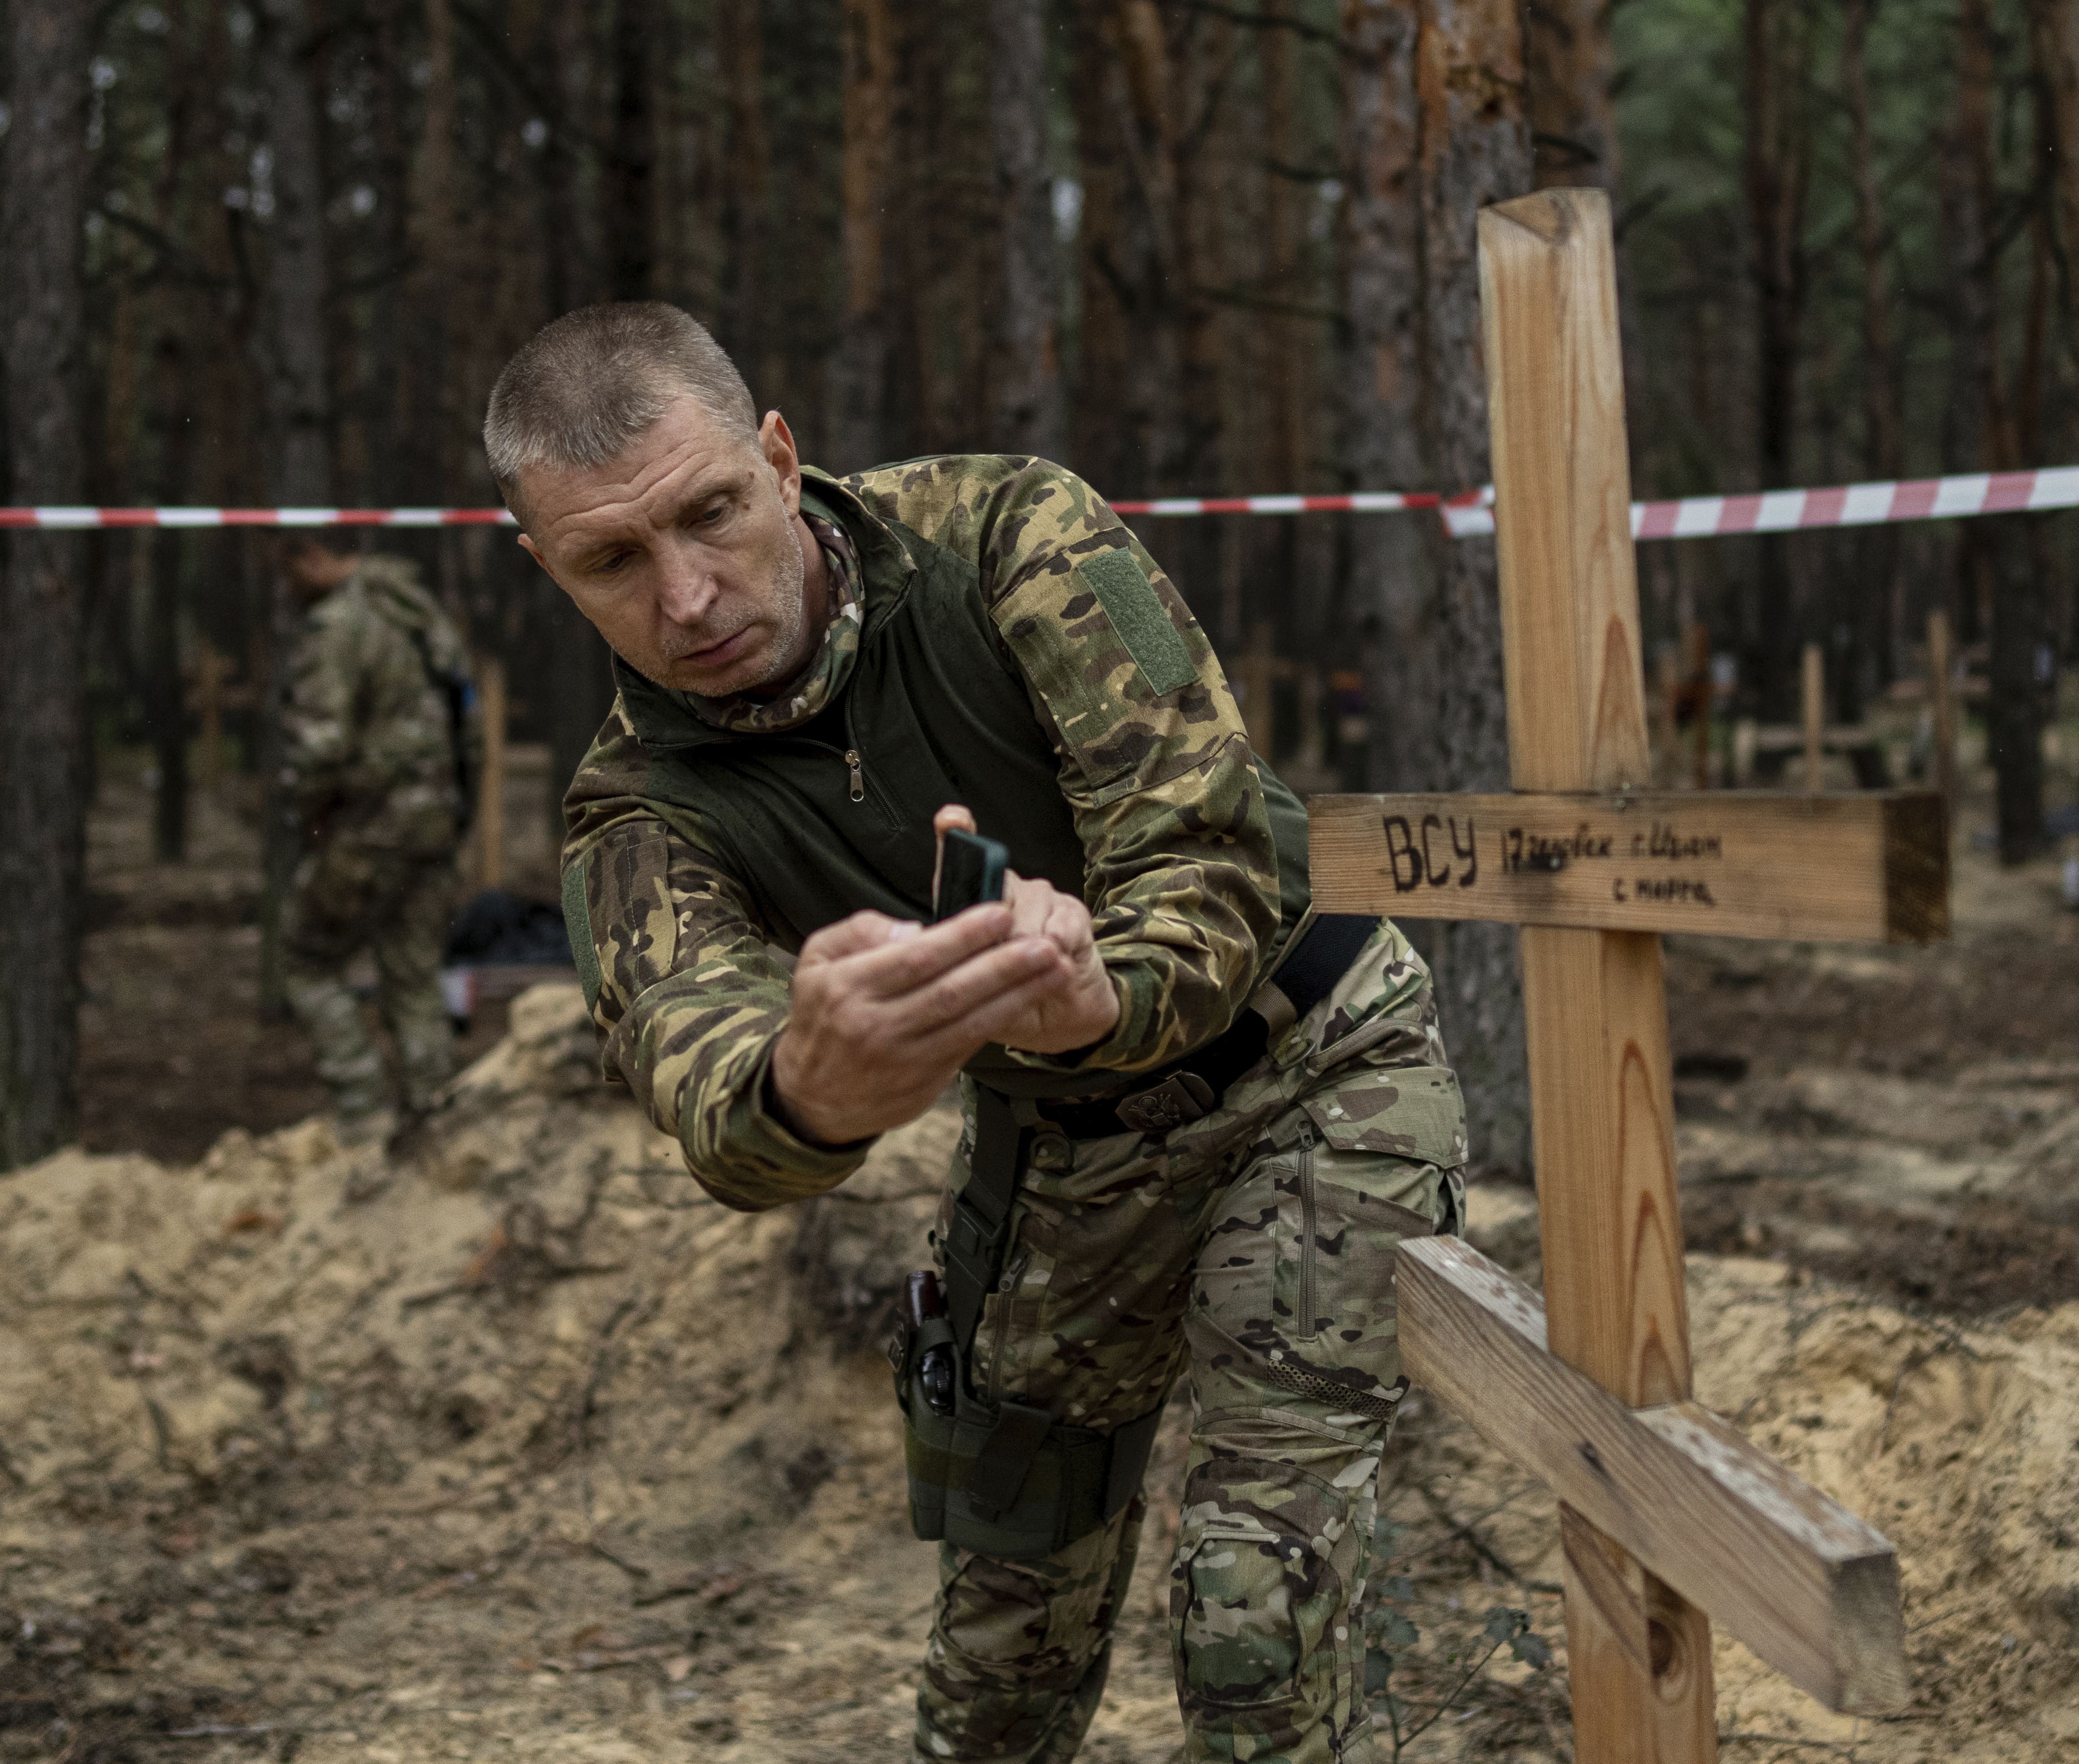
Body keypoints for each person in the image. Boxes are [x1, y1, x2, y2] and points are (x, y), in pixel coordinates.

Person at [498, 302, 1468, 1763]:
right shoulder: (634, 807)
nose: (687, 598)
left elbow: (1205, 855)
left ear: (776, 457)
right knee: (998, 1642)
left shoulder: (1005, 530)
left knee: (1250, 1598)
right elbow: (704, 1077)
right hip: (1063, 1149)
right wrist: (803, 1089)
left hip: (1309, 1060)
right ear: (541, 567)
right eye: (610, 562)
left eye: (707, 514)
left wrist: (1103, 1000)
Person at [277, 539, 479, 1145]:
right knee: (415, 975)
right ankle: (435, 1117)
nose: (288, 585)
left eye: (288, 568)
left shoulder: (340, 626)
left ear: (312, 553)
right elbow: (467, 721)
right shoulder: (417, 612)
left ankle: (362, 1109)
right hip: (432, 827)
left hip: (368, 832)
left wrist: (307, 813)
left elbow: (320, 746)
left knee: (305, 958)